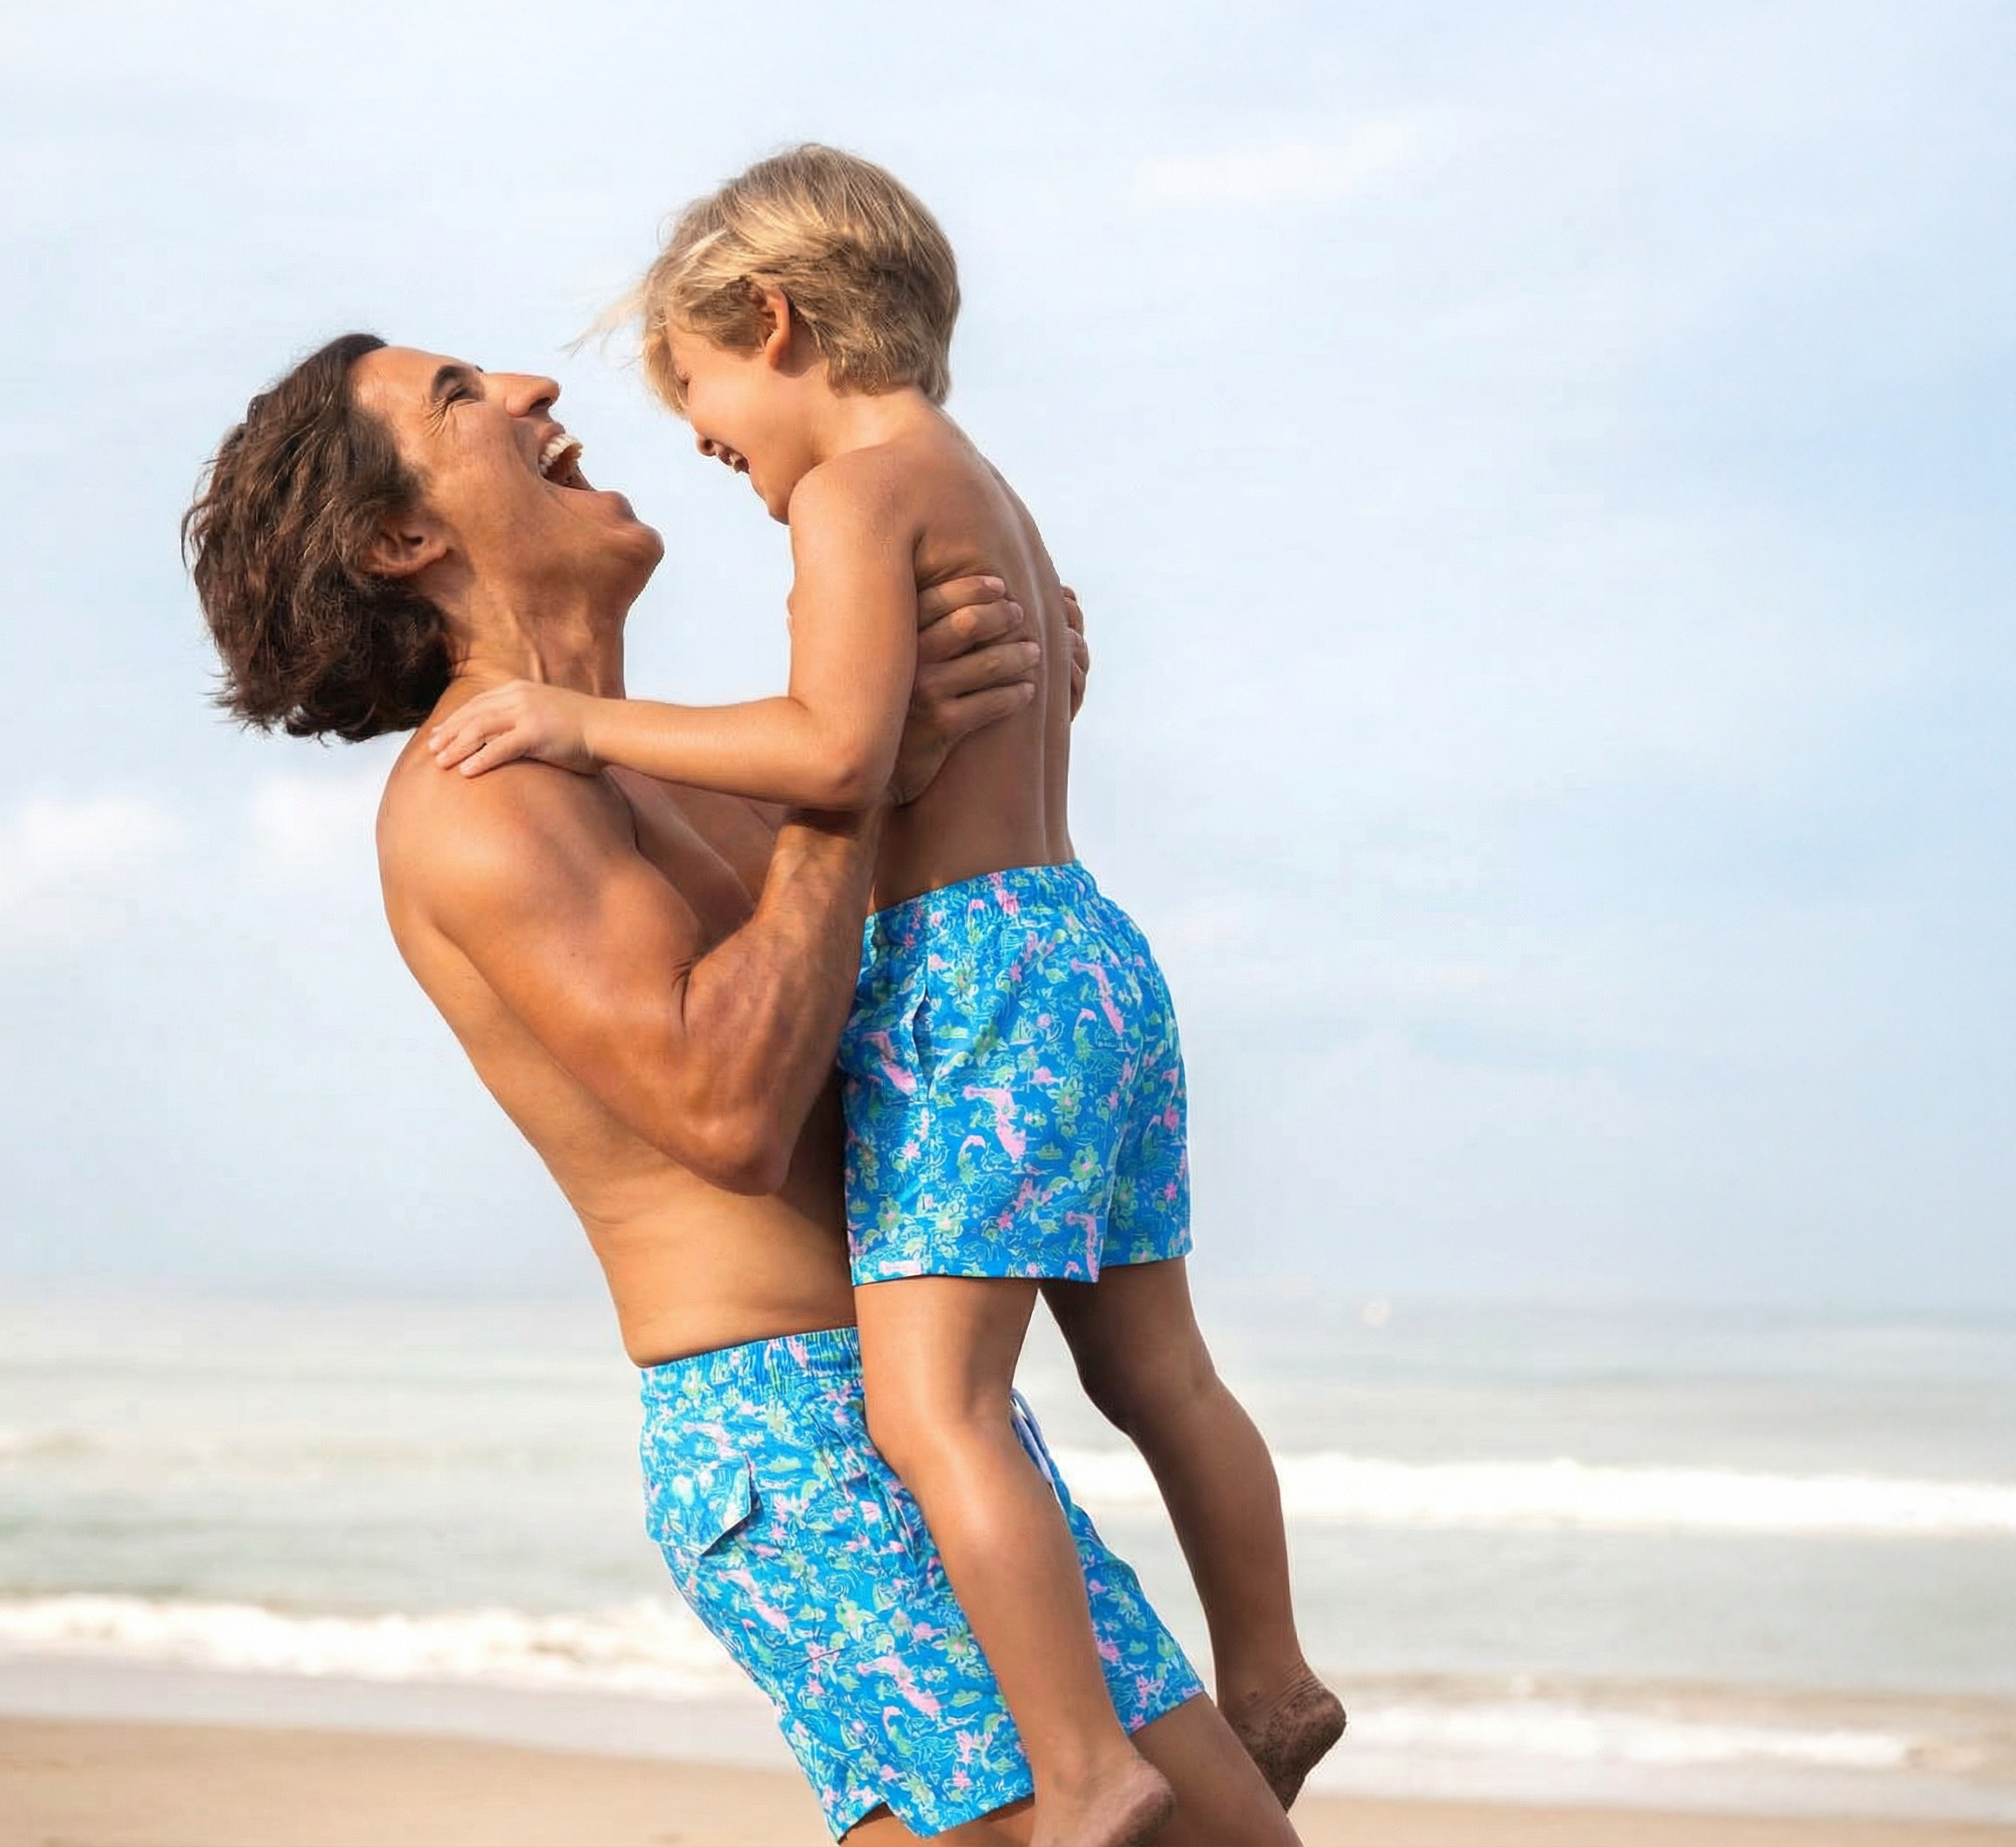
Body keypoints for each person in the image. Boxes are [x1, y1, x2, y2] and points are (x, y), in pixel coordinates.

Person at [184, 334, 1300, 1846]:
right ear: (401, 538)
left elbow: (899, 993)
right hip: (794, 1443)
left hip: (934, 1418)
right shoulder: (482, 805)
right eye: (459, 397)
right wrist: (853, 793)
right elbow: (727, 1108)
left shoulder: (691, 775)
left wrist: (979, 757)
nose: (532, 390)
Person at [417, 146, 1343, 1841]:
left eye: (700, 396)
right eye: (466, 393)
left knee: (944, 1408)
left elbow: (828, 753)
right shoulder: (975, 487)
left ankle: (1085, 1773)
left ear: (769, 320)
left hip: (979, 1001)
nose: (702, 442)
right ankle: (1268, 1670)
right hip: (1072, 975)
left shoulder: (848, 505)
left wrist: (596, 722)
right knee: (1162, 1372)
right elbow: (739, 1066)